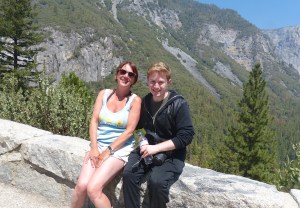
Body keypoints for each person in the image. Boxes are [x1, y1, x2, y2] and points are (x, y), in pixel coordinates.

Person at [122, 62, 195, 208]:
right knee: (129, 175)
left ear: (169, 82)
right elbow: (138, 129)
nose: (156, 86)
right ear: (147, 81)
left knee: (157, 183)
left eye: (161, 82)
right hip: (147, 149)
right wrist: (143, 143)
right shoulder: (144, 102)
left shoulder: (178, 104)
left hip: (171, 154)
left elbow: (186, 135)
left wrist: (157, 148)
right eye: (152, 82)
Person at [71, 61, 141, 208]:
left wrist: (106, 152)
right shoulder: (104, 94)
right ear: (116, 74)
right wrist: (95, 147)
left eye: (130, 74)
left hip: (119, 149)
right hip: (98, 145)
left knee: (93, 188)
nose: (125, 76)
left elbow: (129, 131)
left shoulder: (135, 101)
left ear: (134, 79)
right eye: (122, 72)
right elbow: (94, 121)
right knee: (81, 186)